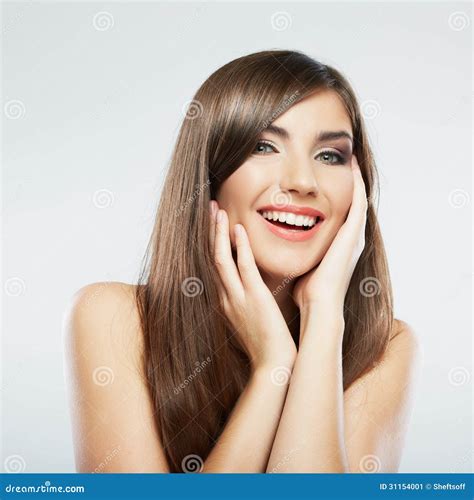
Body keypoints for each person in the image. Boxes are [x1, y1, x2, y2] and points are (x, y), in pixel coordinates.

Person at [63, 49, 421, 473]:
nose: (303, 182)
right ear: (210, 178)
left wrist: (323, 316)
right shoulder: (113, 317)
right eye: (264, 147)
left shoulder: (385, 346)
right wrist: (273, 367)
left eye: (330, 156)